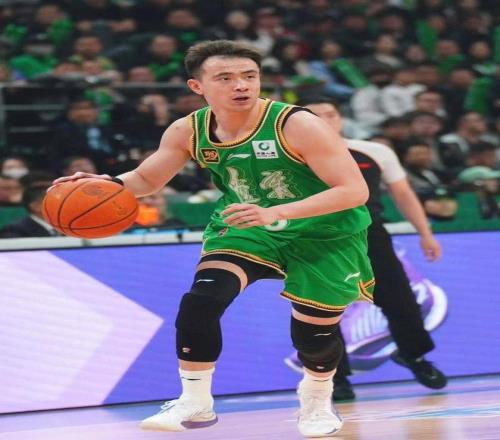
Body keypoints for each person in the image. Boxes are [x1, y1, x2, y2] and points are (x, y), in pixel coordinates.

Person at [52, 39, 374, 438]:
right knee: (201, 301)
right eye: (225, 78)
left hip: (324, 232)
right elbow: (148, 179)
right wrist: (106, 185)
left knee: (313, 334)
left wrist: (277, 212)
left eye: (249, 76)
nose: (241, 85)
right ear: (197, 86)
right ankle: (195, 400)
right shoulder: (188, 129)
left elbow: (354, 191)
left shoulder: (297, 124)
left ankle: (316, 396)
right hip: (247, 225)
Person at [299, 96, 447, 400]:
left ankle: (414, 355)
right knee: (322, 310)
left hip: (370, 236)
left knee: (401, 300)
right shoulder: (288, 157)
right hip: (315, 239)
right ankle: (336, 377)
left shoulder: (374, 151)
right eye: (316, 115)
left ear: (341, 118)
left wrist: (425, 233)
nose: (326, 120)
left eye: (331, 113)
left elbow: (403, 194)